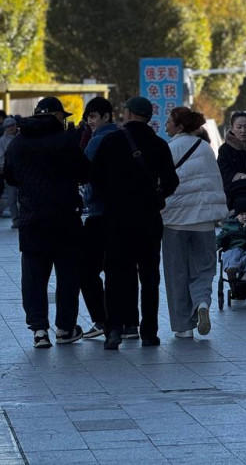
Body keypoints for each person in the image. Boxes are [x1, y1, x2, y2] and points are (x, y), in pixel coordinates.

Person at [90, 97, 179, 350]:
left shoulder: (110, 141)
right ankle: (149, 332)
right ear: (149, 117)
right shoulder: (159, 144)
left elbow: (94, 177)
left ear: (127, 113)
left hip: (116, 218)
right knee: (149, 275)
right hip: (149, 219)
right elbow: (171, 181)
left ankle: (114, 330)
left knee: (116, 274)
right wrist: (157, 196)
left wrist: (112, 196)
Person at [4, 97, 90, 349]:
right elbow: (86, 172)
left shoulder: (18, 142)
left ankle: (39, 330)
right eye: (62, 116)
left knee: (33, 279)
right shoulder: (65, 141)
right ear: (54, 116)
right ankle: (65, 328)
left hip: (31, 219)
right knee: (67, 278)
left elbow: (9, 177)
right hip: (65, 219)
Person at [161, 107, 225, 340]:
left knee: (176, 273)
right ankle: (201, 303)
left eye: (168, 122)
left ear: (179, 127)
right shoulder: (206, 149)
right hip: (205, 222)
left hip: (175, 222)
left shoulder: (169, 149)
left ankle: (183, 327)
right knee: (204, 269)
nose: (165, 125)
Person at [78, 97, 120, 339]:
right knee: (119, 270)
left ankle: (101, 320)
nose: (90, 121)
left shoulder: (96, 142)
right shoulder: (125, 137)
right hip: (123, 215)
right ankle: (127, 323)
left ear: (106, 116)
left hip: (98, 215)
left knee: (87, 270)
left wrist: (84, 201)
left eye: (93, 116)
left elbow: (88, 178)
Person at [217, 112, 246, 193]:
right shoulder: (225, 149)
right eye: (239, 127)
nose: (243, 131)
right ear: (232, 129)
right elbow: (223, 172)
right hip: (234, 192)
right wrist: (239, 177)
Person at [0, 116, 20, 225]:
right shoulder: (2, 141)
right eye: (8, 127)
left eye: (12, 126)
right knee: (12, 197)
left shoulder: (22, 137)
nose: (11, 128)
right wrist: (5, 168)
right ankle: (15, 219)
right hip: (10, 173)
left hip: (24, 172)